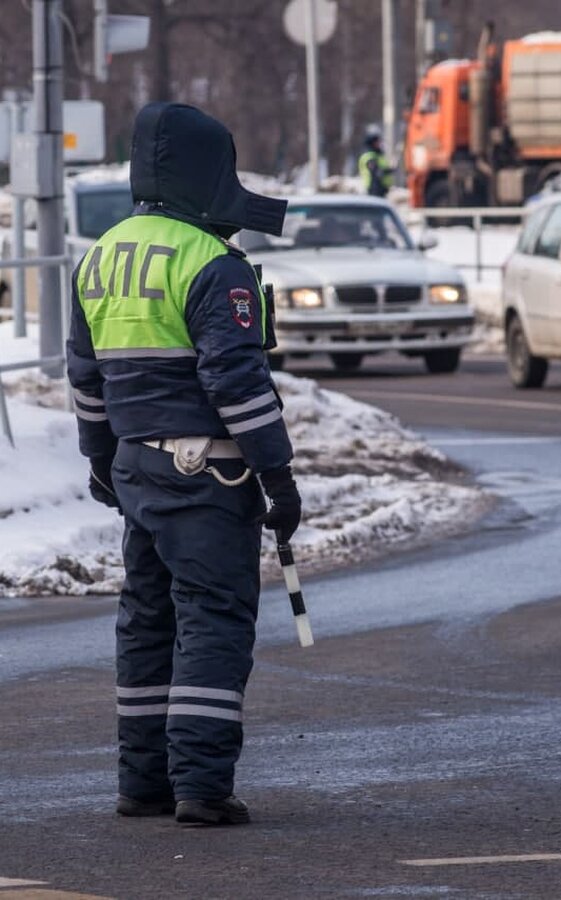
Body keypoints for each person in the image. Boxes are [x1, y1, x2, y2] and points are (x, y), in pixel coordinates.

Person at [66, 102, 302, 827]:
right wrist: (278, 476)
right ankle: (201, 787)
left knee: (147, 622)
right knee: (212, 619)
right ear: (207, 172)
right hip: (211, 475)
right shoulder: (212, 263)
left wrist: (104, 464)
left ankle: (143, 783)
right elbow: (238, 383)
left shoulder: (100, 254)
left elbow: (85, 379)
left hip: (138, 469)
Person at [359, 132, 394, 198]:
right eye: (377, 142)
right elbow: (376, 171)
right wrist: (388, 171)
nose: (380, 144)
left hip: (381, 189)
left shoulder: (378, 155)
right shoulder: (369, 156)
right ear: (372, 143)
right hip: (374, 189)